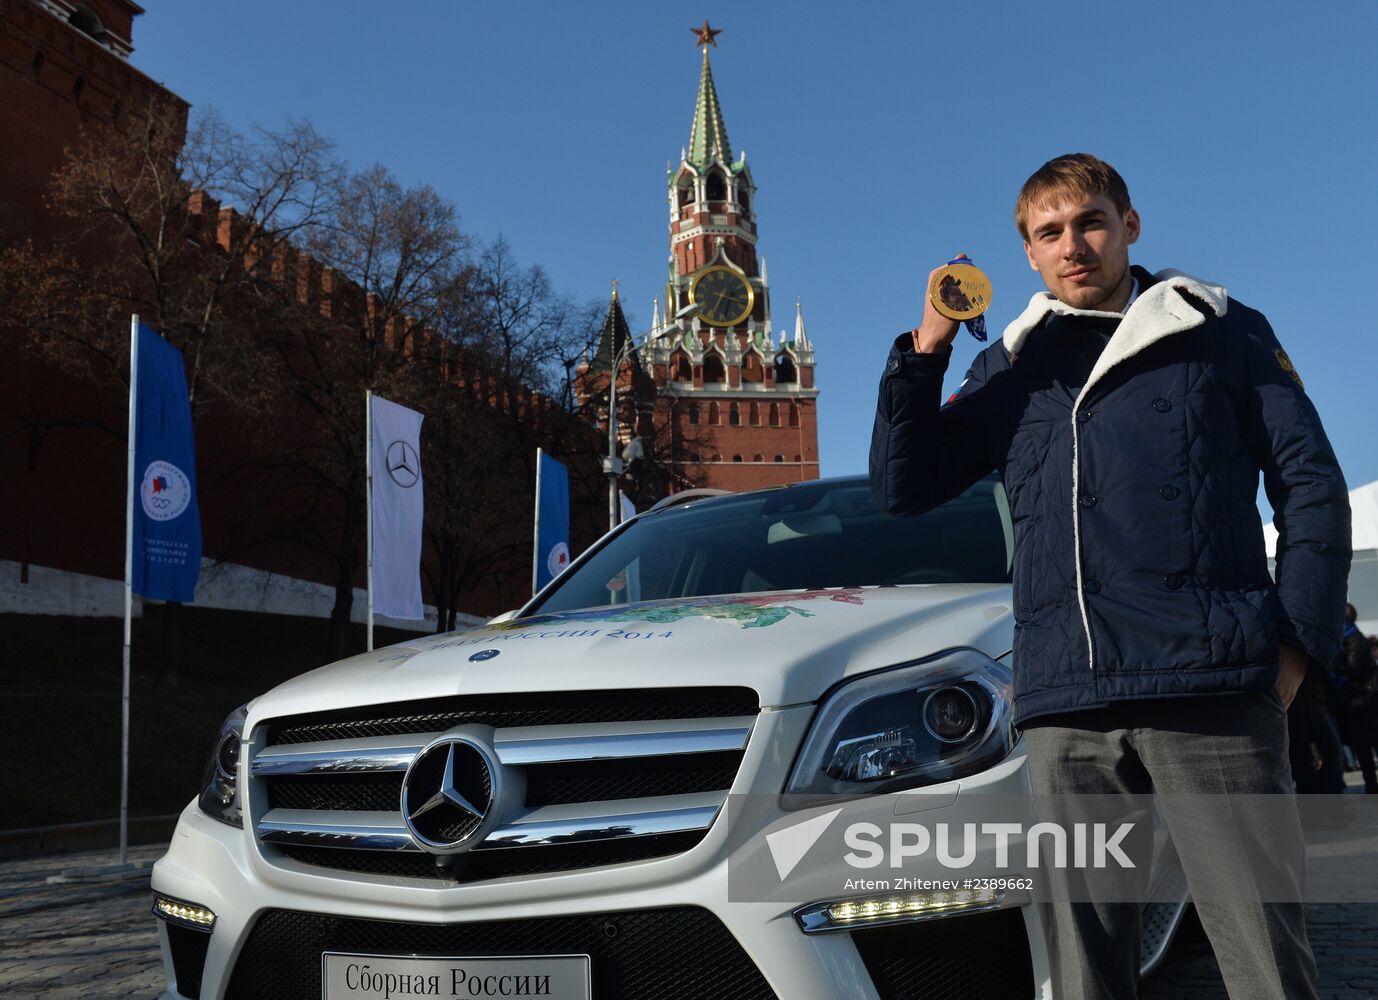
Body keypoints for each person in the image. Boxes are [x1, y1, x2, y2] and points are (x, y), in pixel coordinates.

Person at [869, 153, 1352, 1000]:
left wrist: (1297, 646)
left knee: (1263, 960)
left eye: (1090, 222)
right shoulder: (1010, 367)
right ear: (1027, 254)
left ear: (1130, 226)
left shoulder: (1222, 330)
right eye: (1049, 233)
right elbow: (902, 490)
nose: (1073, 245)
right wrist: (925, 352)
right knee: (1085, 974)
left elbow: (1310, 486)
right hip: (1068, 709)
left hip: (1209, 691)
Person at [1334, 604, 1378, 791]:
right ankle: (1371, 786)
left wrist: (1333, 667)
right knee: (1363, 749)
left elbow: (1355, 670)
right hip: (1358, 703)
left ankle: (1371, 786)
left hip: (1362, 703)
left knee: (1366, 747)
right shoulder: (1348, 637)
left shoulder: (1352, 638)